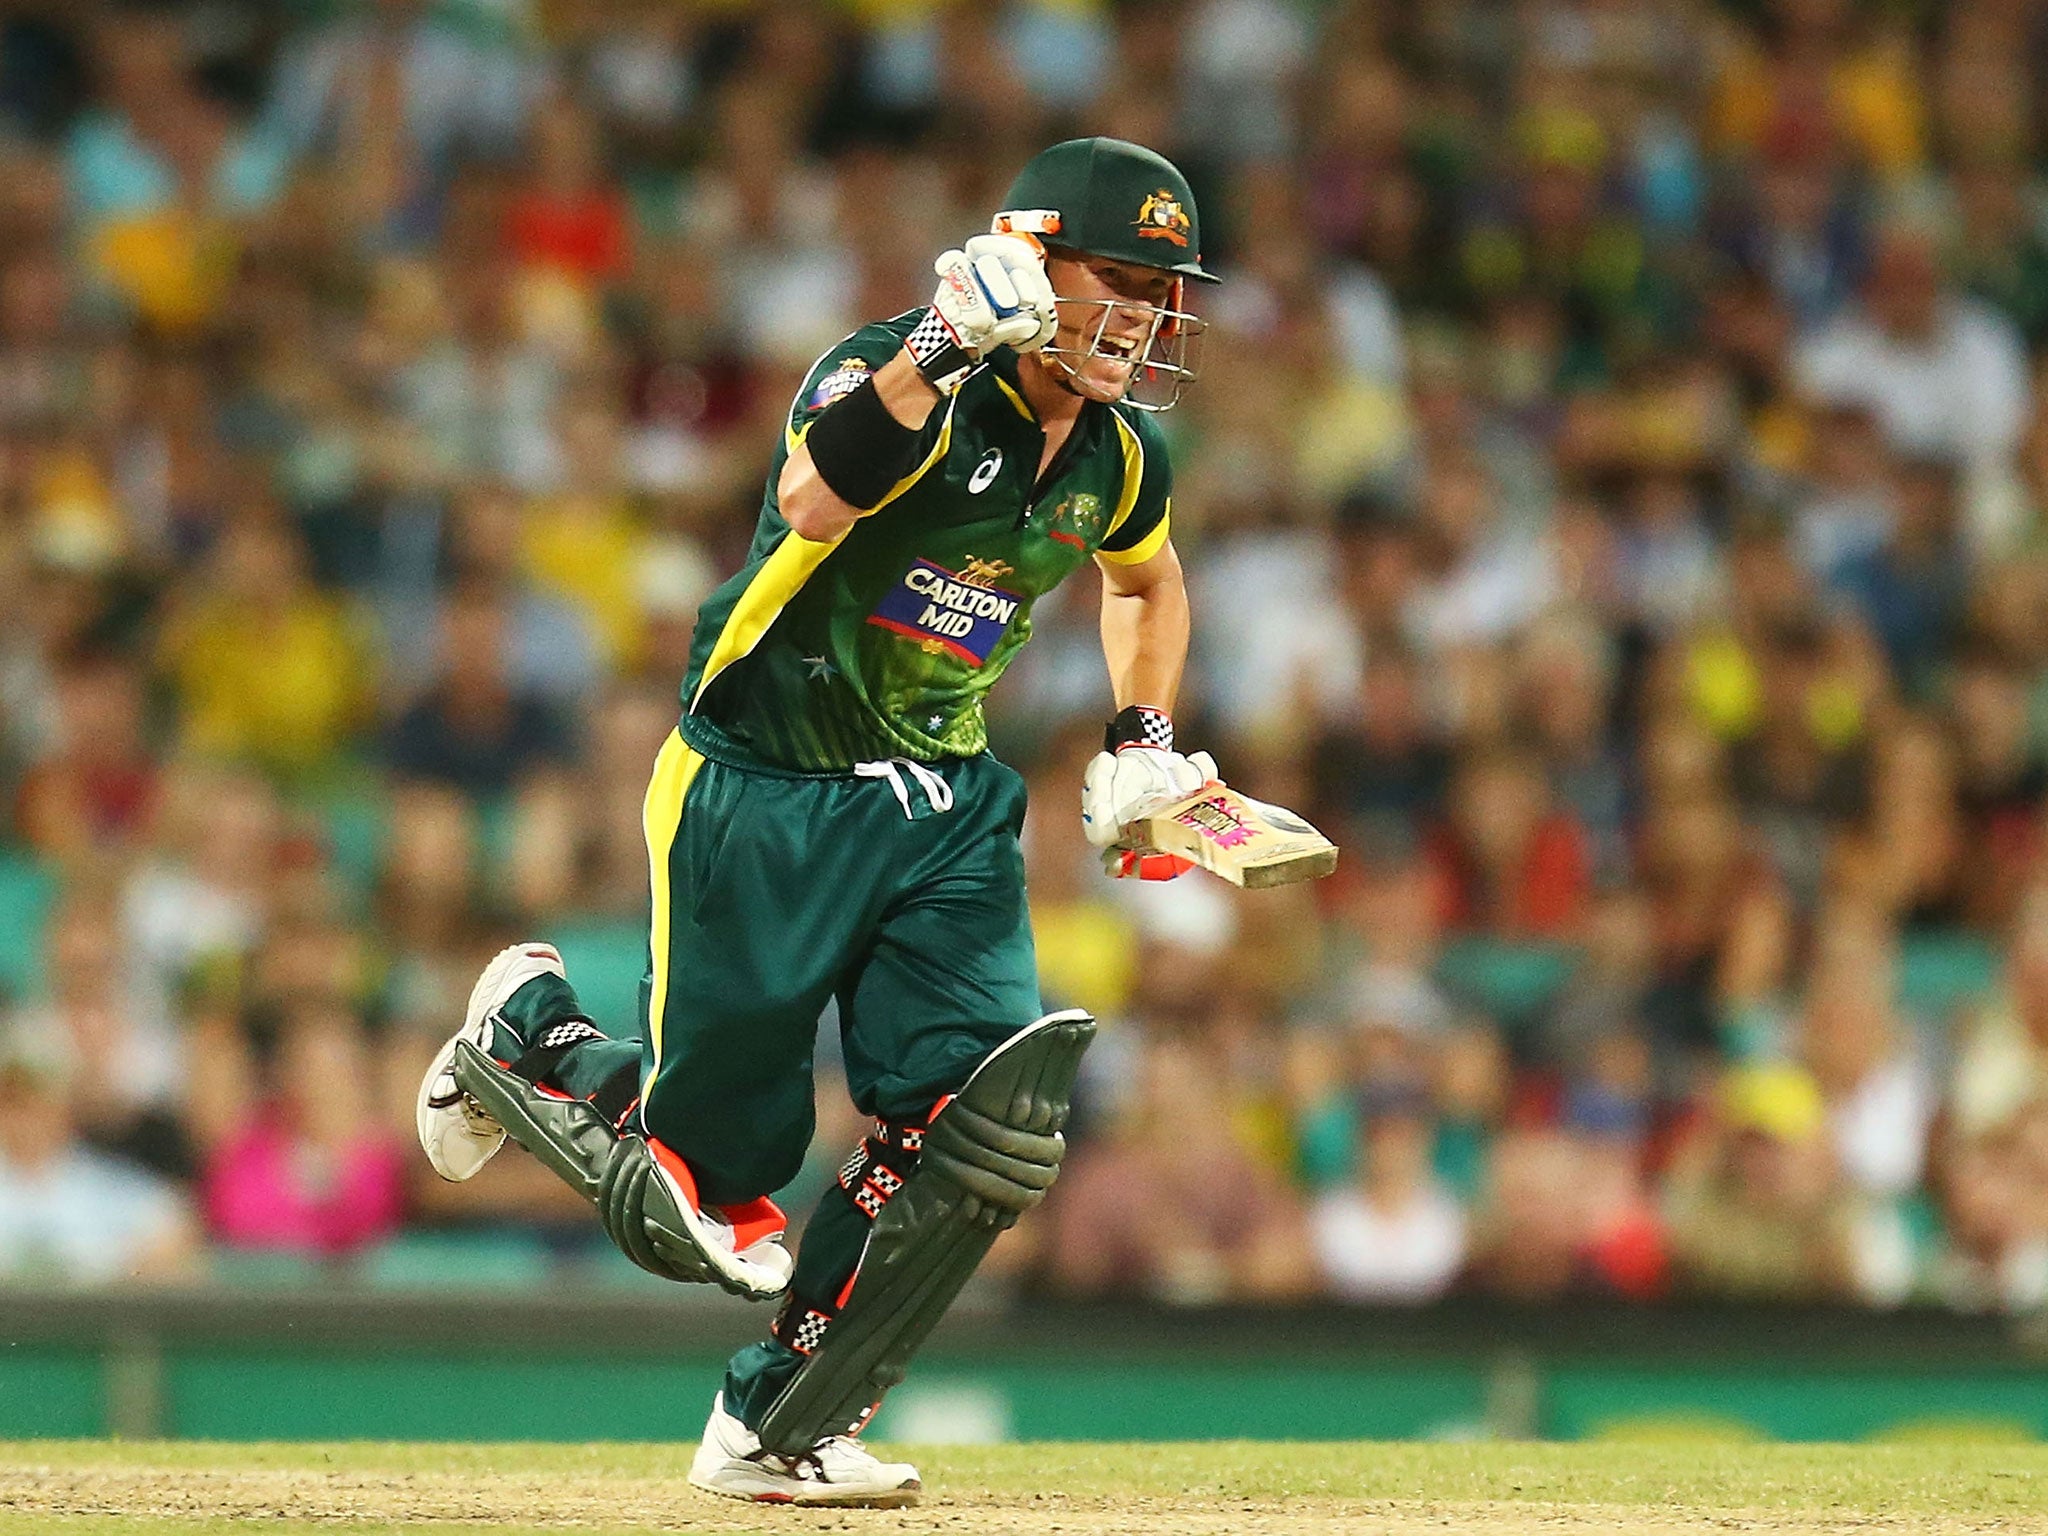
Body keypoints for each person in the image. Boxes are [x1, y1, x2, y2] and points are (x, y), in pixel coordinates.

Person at [416, 138, 1218, 1506]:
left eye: (1160, 290)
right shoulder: (897, 364)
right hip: (765, 779)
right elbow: (812, 496)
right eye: (1116, 276)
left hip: (944, 802)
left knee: (982, 1123)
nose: (1138, 315)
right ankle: (531, 1037)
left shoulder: (1119, 455)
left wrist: (1143, 742)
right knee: (706, 1198)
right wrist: (939, 353)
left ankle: (776, 1425)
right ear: (1025, 252)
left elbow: (1147, 583)